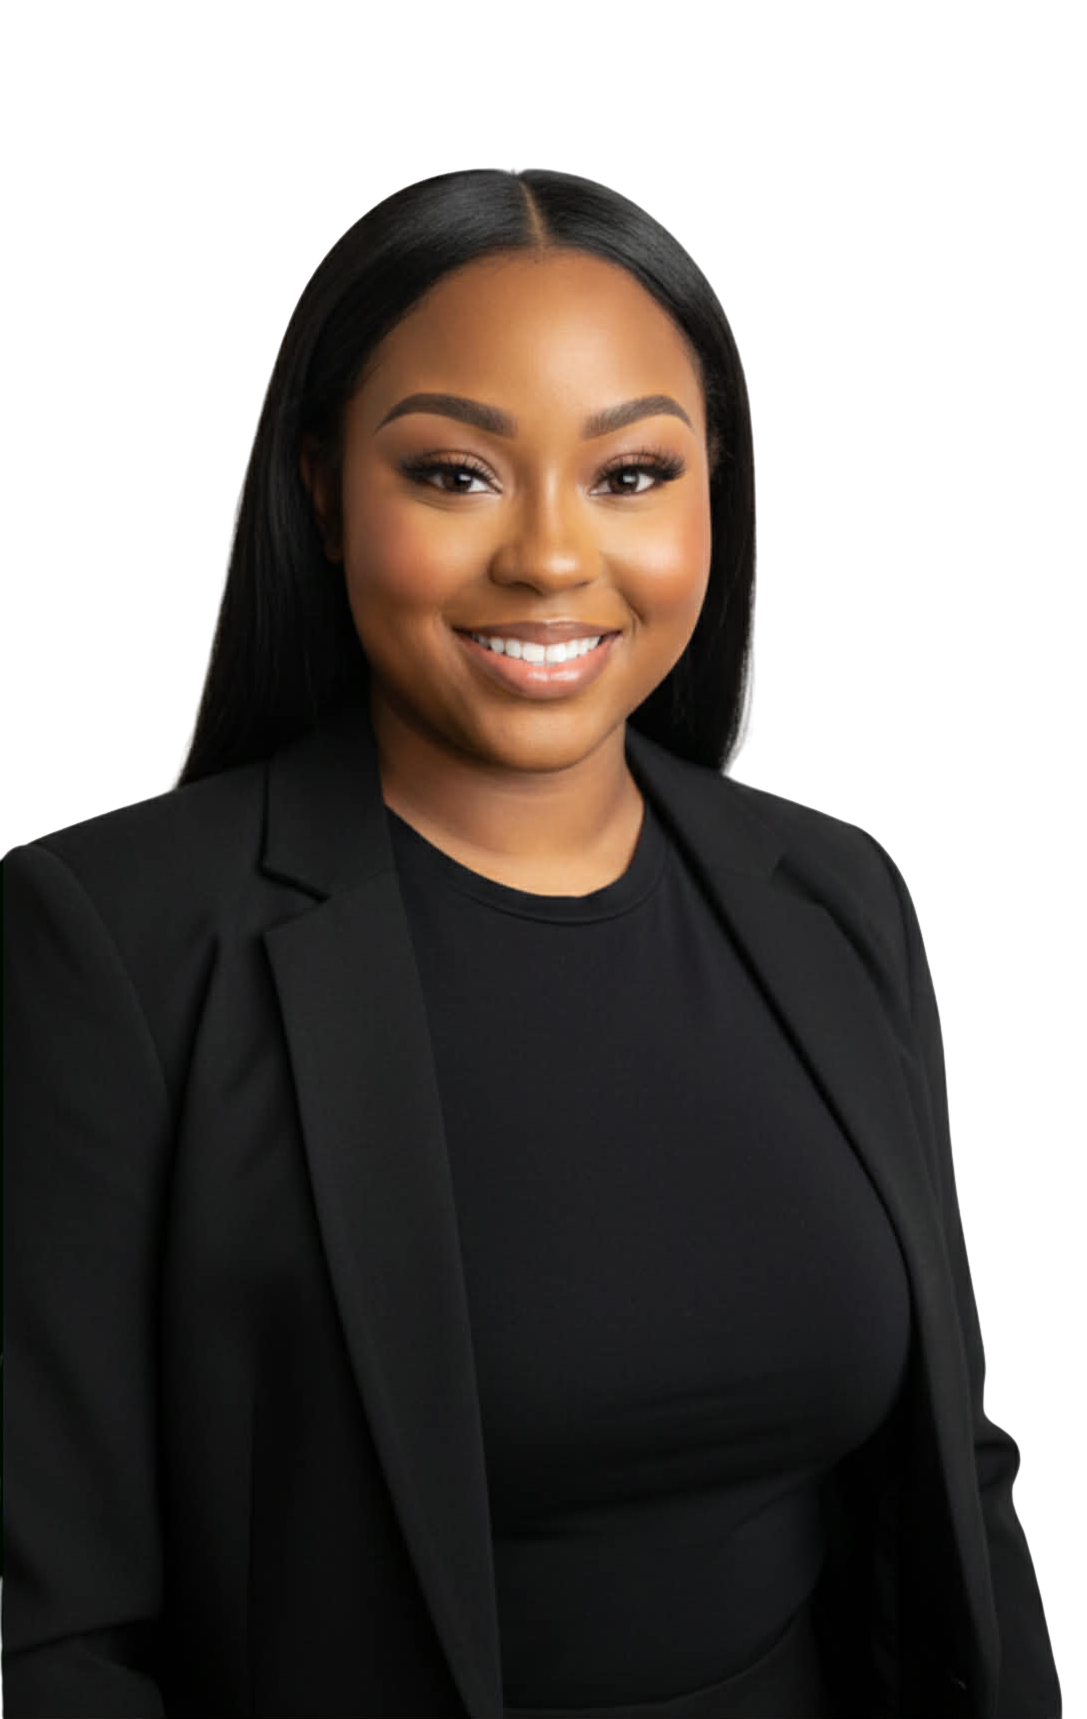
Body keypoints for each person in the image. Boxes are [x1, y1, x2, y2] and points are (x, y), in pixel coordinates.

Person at [3, 169, 1061, 1717]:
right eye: (454, 473)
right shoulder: (111, 940)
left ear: (718, 491)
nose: (553, 558)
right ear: (319, 486)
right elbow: (47, 1631)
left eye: (631, 474)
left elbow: (954, 1482)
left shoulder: (838, 896)